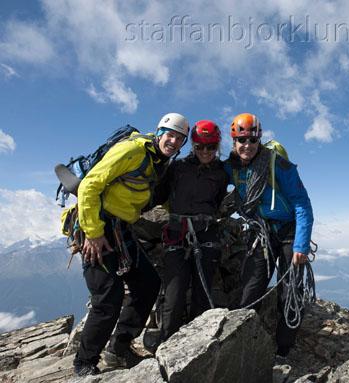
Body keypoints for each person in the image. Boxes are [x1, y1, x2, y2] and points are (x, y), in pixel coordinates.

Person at [72, 113, 189, 376]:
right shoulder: (133, 150)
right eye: (169, 134)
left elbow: (159, 197)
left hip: (121, 229)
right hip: (96, 226)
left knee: (148, 283)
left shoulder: (160, 162)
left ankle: (119, 348)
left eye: (180, 138)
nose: (173, 141)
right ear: (159, 132)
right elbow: (89, 185)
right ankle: (84, 362)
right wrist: (92, 232)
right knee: (108, 296)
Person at [224, 113, 314, 357]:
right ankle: (240, 340)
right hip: (261, 230)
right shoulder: (231, 167)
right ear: (234, 142)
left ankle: (283, 349)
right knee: (251, 285)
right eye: (242, 140)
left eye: (252, 140)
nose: (247, 146)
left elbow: (302, 204)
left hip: (288, 233)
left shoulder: (277, 164)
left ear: (259, 141)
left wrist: (301, 246)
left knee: (290, 291)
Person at [153, 120, 228, 342]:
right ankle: (167, 343)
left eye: (211, 147)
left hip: (206, 233)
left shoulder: (223, 173)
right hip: (177, 232)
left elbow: (220, 200)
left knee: (203, 294)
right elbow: (158, 195)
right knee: (174, 294)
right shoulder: (177, 168)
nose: (205, 151)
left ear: (217, 146)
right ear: (193, 145)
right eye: (200, 146)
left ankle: (197, 346)